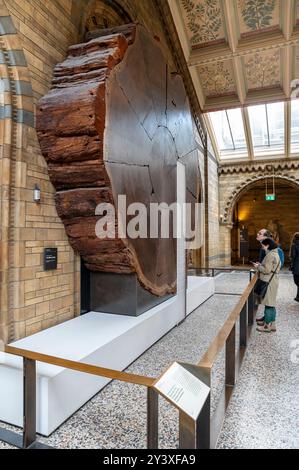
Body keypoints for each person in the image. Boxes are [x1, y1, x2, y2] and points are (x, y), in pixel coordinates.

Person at [252, 238, 281, 333]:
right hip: (273, 280)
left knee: (268, 304)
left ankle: (266, 326)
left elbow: (267, 270)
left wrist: (258, 266)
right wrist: (261, 264)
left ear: (268, 245)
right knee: (271, 303)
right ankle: (272, 325)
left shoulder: (270, 255)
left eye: (263, 246)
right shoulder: (276, 253)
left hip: (269, 281)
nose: (263, 248)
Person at [290, 232, 299, 302]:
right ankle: (298, 296)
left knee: (296, 281)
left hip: (297, 267)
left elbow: (293, 256)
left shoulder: (294, 245)